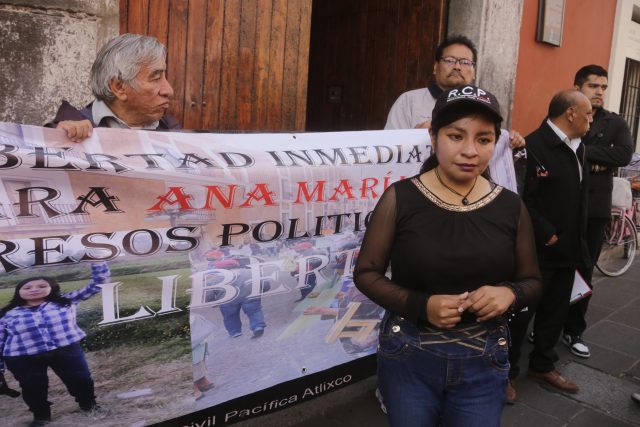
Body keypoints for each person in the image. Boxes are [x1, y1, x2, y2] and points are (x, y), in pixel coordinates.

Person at [354, 84, 542, 427]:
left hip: (485, 361)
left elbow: (532, 281)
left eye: (483, 140)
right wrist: (420, 305)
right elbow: (366, 273)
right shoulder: (400, 198)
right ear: (433, 136)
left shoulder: (511, 207)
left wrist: (509, 294)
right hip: (409, 355)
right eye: (456, 136)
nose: (470, 151)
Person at [509, 90, 593, 400]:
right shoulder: (533, 146)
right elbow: (521, 198)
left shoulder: (580, 148)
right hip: (538, 250)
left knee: (556, 311)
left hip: (569, 249)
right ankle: (506, 373)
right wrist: (547, 233)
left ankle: (543, 364)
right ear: (570, 113)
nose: (591, 119)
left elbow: (580, 199)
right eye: (587, 114)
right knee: (521, 314)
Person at [384, 35, 525, 193]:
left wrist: (511, 142)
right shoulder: (408, 101)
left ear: (473, 73)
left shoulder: (484, 104)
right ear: (435, 67)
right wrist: (416, 135)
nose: (457, 66)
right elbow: (387, 150)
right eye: (450, 60)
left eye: (465, 62)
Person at [562, 65, 633, 358]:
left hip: (595, 209)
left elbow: (623, 154)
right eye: (593, 86)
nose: (600, 92)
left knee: (585, 269)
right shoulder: (564, 113)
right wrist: (597, 159)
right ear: (578, 87)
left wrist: (581, 151)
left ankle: (574, 330)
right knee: (555, 268)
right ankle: (548, 323)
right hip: (563, 204)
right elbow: (553, 146)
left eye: (603, 87)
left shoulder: (615, 122)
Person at [0, 263, 111, 426]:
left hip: (66, 350)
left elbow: (98, 284)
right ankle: (41, 416)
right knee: (32, 387)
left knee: (81, 379)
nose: (34, 289)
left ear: (52, 288)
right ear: (19, 292)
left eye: (41, 286)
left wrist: (98, 262)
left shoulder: (66, 301)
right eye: (27, 287)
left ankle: (88, 405)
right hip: (22, 356)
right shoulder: (7, 313)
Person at [45, 33, 180, 141]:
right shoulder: (72, 130)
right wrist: (59, 140)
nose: (169, 91)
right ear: (119, 87)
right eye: (156, 77)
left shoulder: (170, 128)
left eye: (164, 76)